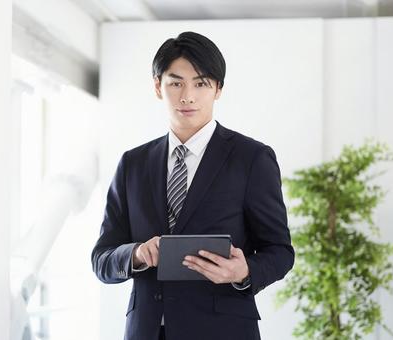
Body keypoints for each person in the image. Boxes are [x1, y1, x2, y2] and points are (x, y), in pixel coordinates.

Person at [91, 31, 294, 340]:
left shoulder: (251, 158)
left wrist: (244, 272)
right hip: (147, 330)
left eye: (200, 84)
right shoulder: (133, 164)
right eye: (176, 83)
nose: (187, 96)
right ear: (158, 87)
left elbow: (280, 251)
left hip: (223, 330)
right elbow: (102, 258)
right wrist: (137, 254)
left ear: (218, 90)